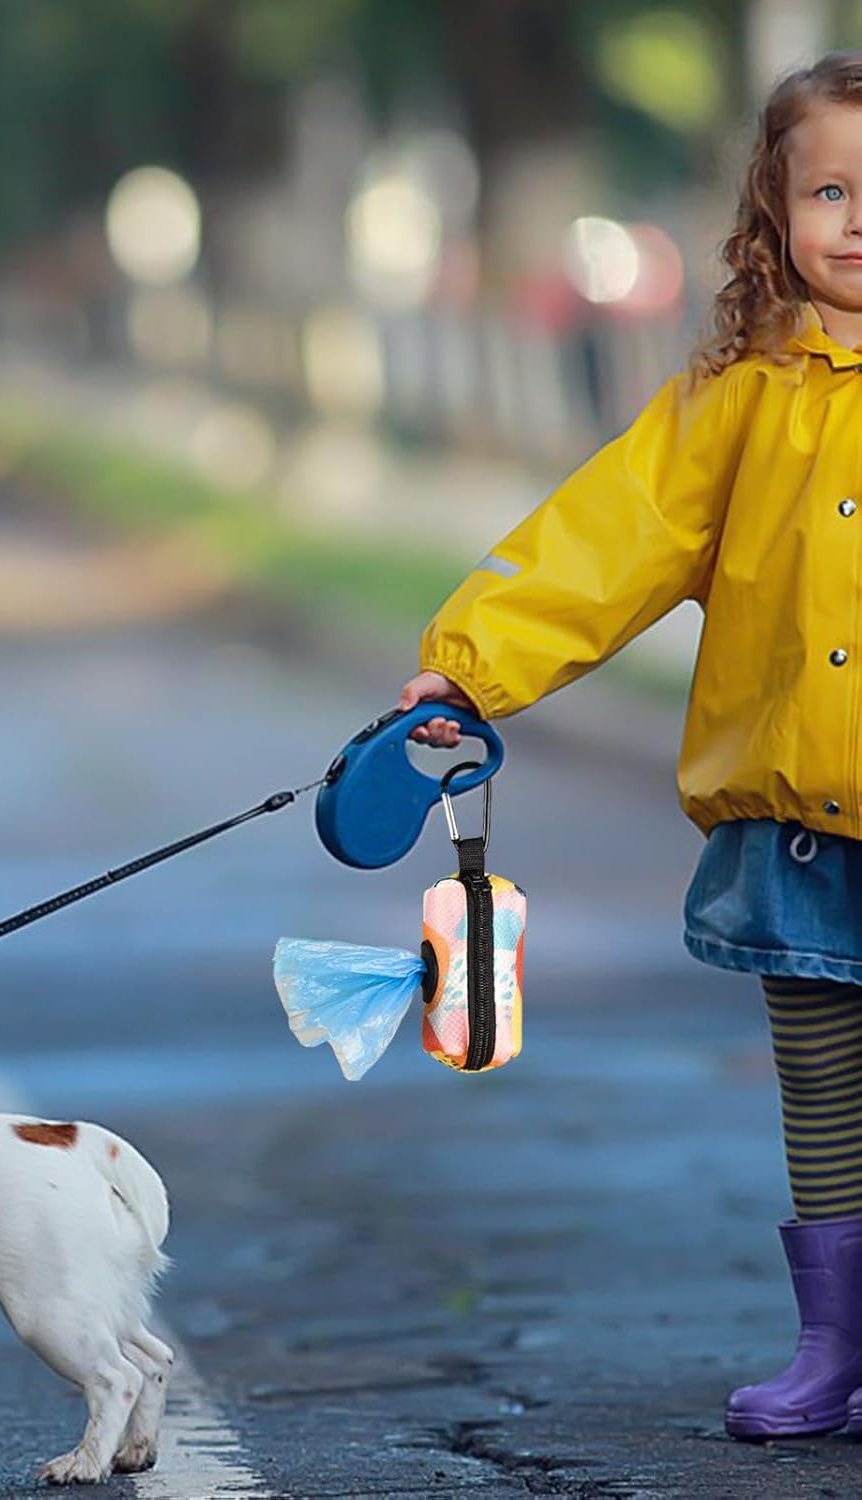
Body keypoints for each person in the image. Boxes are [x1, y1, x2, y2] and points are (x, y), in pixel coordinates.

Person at [396, 51, 862, 1441]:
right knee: (826, 1086)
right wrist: (473, 662)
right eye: (830, 189)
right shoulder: (740, 396)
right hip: (797, 824)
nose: (859, 217)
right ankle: (836, 1345)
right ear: (773, 216)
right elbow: (607, 542)